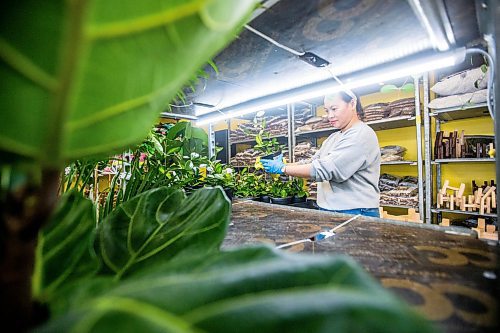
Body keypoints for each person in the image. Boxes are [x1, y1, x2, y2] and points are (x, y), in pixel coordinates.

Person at [261, 90, 381, 217]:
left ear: (352, 104)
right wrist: (285, 163)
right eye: (327, 111)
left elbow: (328, 169)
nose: (330, 115)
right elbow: (313, 162)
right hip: (329, 209)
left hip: (355, 211)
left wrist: (283, 169)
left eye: (334, 109)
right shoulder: (334, 137)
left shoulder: (361, 134)